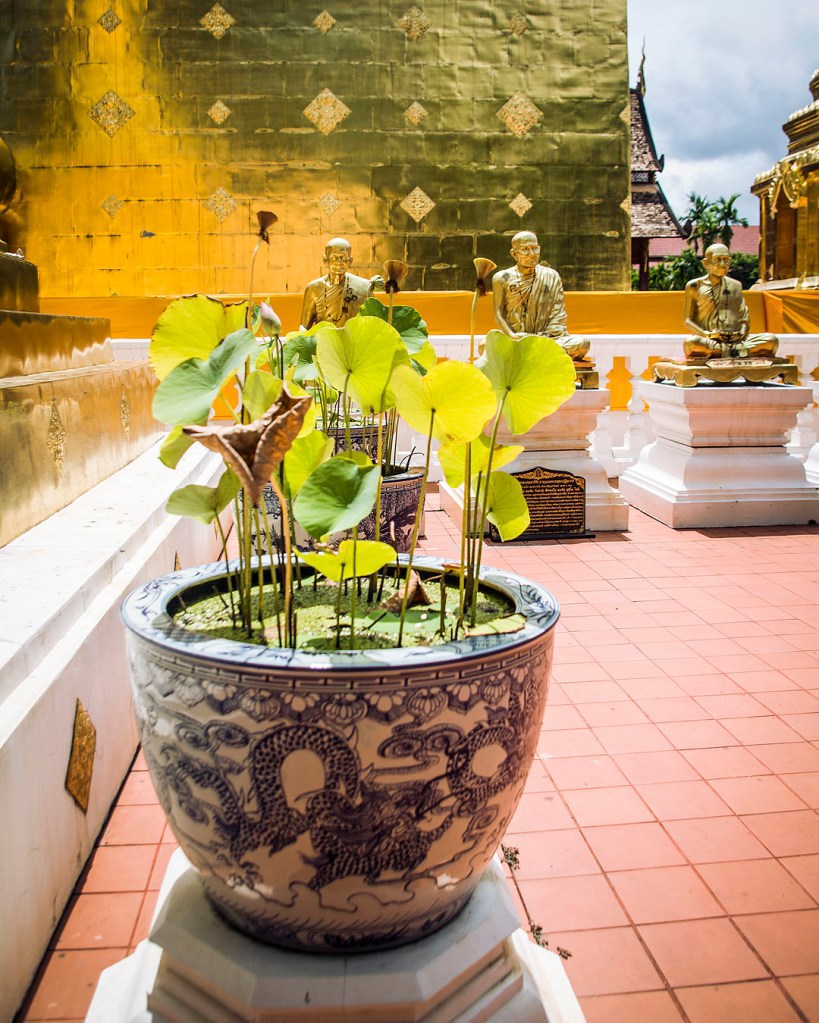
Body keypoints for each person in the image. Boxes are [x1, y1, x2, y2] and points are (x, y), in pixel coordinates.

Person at [492, 230, 590, 362]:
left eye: (535, 249)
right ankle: (538, 352)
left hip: (547, 339)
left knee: (582, 343)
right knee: (485, 345)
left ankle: (530, 352)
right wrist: (512, 335)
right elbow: (498, 314)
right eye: (525, 249)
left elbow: (558, 314)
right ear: (514, 254)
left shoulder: (551, 276)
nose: (532, 254)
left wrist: (542, 337)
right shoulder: (502, 278)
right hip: (515, 339)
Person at [683, 243, 778, 361]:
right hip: (710, 340)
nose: (723, 264)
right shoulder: (695, 285)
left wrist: (741, 333)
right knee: (692, 343)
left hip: (738, 340)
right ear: (706, 263)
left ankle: (727, 352)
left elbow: (743, 316)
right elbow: (687, 320)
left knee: (771, 340)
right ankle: (737, 352)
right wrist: (708, 335)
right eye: (717, 260)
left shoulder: (736, 285)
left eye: (726, 260)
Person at [300, 238, 376, 329]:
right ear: (325, 260)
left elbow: (372, 325)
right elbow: (304, 326)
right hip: (323, 341)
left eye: (343, 258)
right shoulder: (314, 288)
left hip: (353, 341)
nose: (339, 262)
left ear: (350, 261)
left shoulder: (364, 288)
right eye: (333, 257)